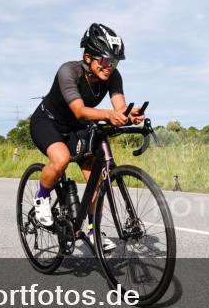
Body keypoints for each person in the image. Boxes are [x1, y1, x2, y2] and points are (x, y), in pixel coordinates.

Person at [29, 23, 145, 251]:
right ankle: (42, 198)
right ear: (88, 56)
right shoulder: (68, 72)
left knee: (97, 179)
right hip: (47, 122)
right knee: (61, 160)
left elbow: (119, 107)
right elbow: (80, 110)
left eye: (115, 61)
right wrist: (110, 115)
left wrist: (130, 114)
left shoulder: (112, 76)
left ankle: (93, 231)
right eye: (104, 60)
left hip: (76, 127)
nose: (109, 66)